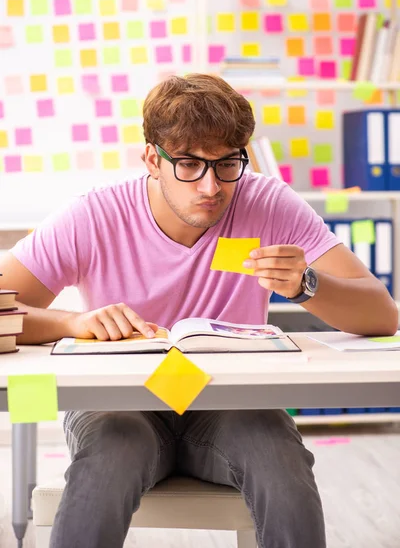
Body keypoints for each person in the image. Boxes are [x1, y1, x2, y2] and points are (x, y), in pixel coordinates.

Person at [1, 74, 397, 548]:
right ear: (153, 158)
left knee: (277, 452)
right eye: (189, 163)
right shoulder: (94, 216)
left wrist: (306, 283)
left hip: (230, 402)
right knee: (113, 448)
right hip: (123, 402)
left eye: (228, 163)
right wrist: (73, 322)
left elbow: (383, 315)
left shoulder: (267, 202)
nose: (211, 186)